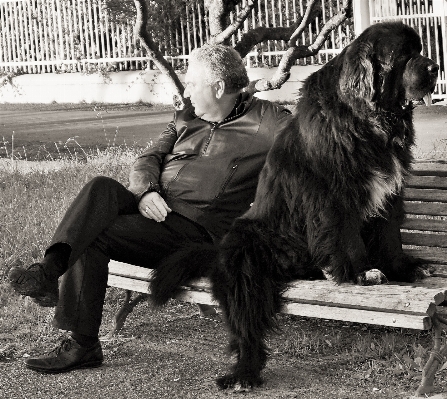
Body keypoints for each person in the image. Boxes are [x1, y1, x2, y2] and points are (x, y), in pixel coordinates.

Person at [8, 44, 293, 374]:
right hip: (154, 208)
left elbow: (315, 144)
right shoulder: (187, 116)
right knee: (101, 186)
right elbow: (149, 158)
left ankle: (81, 343)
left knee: (93, 235)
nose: (186, 91)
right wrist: (145, 191)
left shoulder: (270, 124)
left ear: (217, 87)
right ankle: (47, 273)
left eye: (192, 83)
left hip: (194, 228)